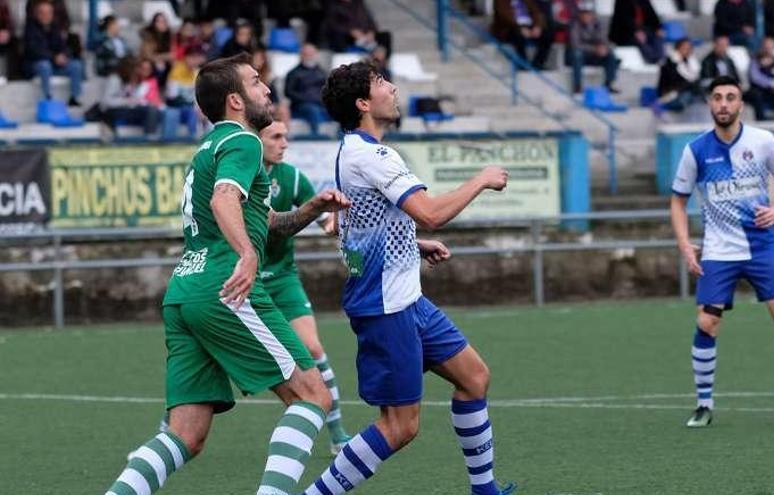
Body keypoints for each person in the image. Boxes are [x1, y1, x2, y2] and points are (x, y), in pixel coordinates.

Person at [104, 52, 351, 495]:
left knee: (186, 434)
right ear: (236, 100)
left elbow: (265, 220)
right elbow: (224, 202)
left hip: (185, 292)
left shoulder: (209, 146)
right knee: (313, 395)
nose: (268, 89)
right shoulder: (245, 141)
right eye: (257, 82)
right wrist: (247, 256)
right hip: (226, 288)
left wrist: (313, 207)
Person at [297, 61, 516, 495]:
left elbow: (356, 227)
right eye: (381, 83)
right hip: (384, 306)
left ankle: (484, 490)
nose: (393, 88)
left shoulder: (351, 152)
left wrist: (412, 245)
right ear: (363, 103)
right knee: (399, 426)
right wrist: (482, 179)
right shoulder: (372, 155)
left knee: (474, 378)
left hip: (407, 299)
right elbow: (431, 214)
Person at [669, 75, 774, 428]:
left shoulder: (763, 141)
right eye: (718, 97)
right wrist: (684, 245)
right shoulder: (695, 151)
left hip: (761, 247)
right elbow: (677, 202)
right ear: (710, 103)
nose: (723, 104)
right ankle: (704, 405)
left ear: (741, 104)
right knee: (707, 322)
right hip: (719, 251)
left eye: (731, 98)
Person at [259, 120, 355, 454]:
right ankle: (171, 431)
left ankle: (338, 434)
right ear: (255, 140)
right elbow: (275, 223)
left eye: (286, 136)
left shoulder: (292, 177)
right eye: (276, 136)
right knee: (207, 356)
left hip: (282, 278)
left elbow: (321, 218)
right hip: (240, 279)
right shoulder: (239, 177)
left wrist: (333, 220)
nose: (284, 143)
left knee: (313, 349)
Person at [23, 0, 83, 105]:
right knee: (44, 65)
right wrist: (54, 57)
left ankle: (74, 98)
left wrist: (64, 56)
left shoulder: (55, 28)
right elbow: (34, 51)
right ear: (37, 14)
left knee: (76, 65)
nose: (46, 16)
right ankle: (47, 98)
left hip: (55, 65)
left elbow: (64, 47)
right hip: (36, 65)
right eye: (43, 13)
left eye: (49, 13)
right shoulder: (30, 29)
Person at [568, 3, 620, 93]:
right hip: (581, 54)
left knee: (611, 55)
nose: (586, 16)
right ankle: (577, 86)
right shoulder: (575, 24)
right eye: (583, 14)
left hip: (595, 54)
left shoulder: (597, 24)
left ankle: (608, 84)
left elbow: (604, 39)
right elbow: (576, 44)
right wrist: (594, 49)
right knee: (577, 54)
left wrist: (604, 48)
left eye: (588, 14)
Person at [490, 0, 553, 70]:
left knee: (548, 34)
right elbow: (505, 15)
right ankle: (523, 64)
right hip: (509, 27)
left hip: (528, 25)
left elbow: (536, 12)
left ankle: (537, 64)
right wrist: (520, 27)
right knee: (517, 35)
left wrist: (537, 26)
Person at [284, 43, 329, 135]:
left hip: (320, 104)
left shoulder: (322, 72)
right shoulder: (293, 73)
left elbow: (328, 90)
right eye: (306, 54)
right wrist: (306, 98)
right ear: (301, 55)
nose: (309, 56)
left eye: (311, 54)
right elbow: (288, 92)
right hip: (301, 105)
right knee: (312, 110)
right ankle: (317, 136)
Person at [657, 38, 701, 113]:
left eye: (689, 48)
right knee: (687, 96)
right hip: (670, 94)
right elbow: (672, 83)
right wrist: (689, 84)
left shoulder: (691, 62)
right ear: (678, 48)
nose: (687, 50)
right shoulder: (669, 63)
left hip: (685, 92)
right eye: (685, 48)